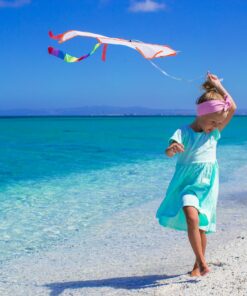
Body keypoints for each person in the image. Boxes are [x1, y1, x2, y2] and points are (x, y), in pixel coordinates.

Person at [156, 73, 237, 276]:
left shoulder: (214, 133)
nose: (216, 127)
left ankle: (196, 265)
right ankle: (202, 263)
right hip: (187, 184)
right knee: (191, 217)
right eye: (213, 122)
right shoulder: (183, 132)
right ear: (201, 114)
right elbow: (168, 151)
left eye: (219, 124)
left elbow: (232, 107)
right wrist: (172, 149)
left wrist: (218, 86)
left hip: (208, 184)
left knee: (201, 226)